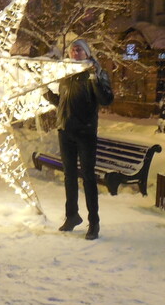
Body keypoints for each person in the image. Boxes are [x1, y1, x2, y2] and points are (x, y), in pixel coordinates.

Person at [44, 38, 114, 240]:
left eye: (79, 50)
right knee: (69, 176)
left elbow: (106, 99)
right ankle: (72, 216)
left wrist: (94, 78)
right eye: (72, 50)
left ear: (87, 53)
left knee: (88, 177)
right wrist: (46, 94)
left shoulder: (97, 73)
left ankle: (94, 222)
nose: (75, 52)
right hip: (65, 131)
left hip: (85, 133)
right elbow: (63, 104)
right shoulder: (67, 76)